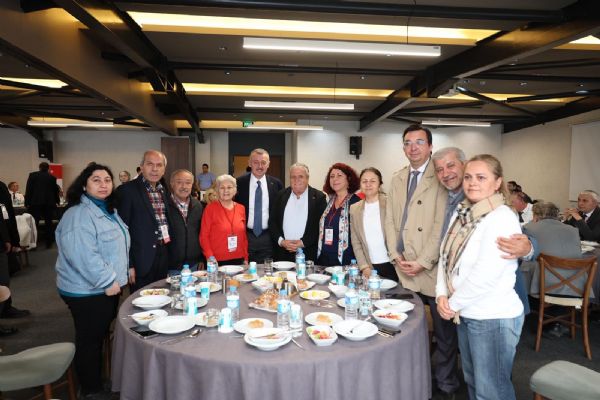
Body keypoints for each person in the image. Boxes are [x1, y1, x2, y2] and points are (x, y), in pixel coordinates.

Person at [436, 154, 524, 400]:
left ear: (497, 183)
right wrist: (441, 293)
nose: (472, 182)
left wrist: (451, 304)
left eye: (481, 177)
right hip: (466, 312)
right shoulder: (463, 212)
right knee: (474, 383)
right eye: (468, 177)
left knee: (492, 391)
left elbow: (486, 274)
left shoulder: (502, 217)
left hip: (492, 317)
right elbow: (445, 257)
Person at [384, 125, 457, 398]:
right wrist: (395, 254)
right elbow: (390, 220)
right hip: (403, 265)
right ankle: (409, 377)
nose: (412, 147)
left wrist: (424, 261)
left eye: (419, 142)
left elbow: (442, 225)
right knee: (404, 328)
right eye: (407, 142)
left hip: (431, 268)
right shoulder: (397, 178)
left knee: (443, 332)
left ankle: (446, 382)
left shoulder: (440, 177)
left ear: (430, 146)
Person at [55, 163, 129, 400]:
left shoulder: (106, 209)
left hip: (104, 287)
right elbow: (83, 256)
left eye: (107, 180)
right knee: (89, 340)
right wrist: (107, 281)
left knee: (96, 336)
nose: (103, 184)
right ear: (84, 185)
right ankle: (90, 389)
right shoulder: (78, 214)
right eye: (96, 180)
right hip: (87, 290)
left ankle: (95, 380)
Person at [118, 150, 171, 291]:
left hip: (162, 255)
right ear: (141, 167)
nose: (155, 169)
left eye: (159, 165)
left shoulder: (163, 190)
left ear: (164, 169)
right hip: (140, 259)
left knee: (162, 297)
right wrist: (129, 264)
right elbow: (121, 231)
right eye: (150, 164)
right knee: (141, 300)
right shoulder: (127, 190)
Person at [269, 163, 326, 262]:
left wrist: (303, 243)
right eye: (293, 177)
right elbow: (272, 222)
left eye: (300, 176)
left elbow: (321, 225)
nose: (296, 180)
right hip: (282, 253)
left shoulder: (319, 197)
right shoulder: (280, 195)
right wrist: (281, 241)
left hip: (307, 253)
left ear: (307, 178)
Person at [235, 148, 283, 262]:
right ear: (249, 163)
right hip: (246, 235)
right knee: (246, 269)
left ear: (268, 164)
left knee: (267, 269)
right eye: (256, 162)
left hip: (268, 237)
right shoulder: (239, 183)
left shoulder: (277, 184)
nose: (260, 166)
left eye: (263, 162)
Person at [350, 168, 396, 281]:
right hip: (370, 266)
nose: (368, 184)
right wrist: (364, 266)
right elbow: (356, 241)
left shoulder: (391, 203)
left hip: (393, 263)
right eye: (364, 181)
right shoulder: (354, 208)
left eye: (373, 181)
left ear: (380, 184)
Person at [317, 163, 361, 267]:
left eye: (339, 175)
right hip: (324, 258)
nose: (335, 179)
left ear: (349, 179)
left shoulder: (356, 203)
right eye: (332, 176)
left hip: (346, 260)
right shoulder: (328, 201)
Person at [200, 174, 248, 265]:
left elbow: (244, 236)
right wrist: (210, 257)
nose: (226, 190)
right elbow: (204, 236)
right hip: (216, 261)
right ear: (217, 190)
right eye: (222, 188)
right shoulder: (210, 208)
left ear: (235, 190)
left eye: (229, 187)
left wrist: (245, 257)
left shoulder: (241, 208)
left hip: (239, 258)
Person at [0, 180, 29, 322]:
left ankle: (5, 307)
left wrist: (9, 238)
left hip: (2, 239)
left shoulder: (1, 187)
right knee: (3, 279)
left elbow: (6, 215)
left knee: (4, 278)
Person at [167, 169, 204, 271]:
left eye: (188, 183)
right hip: (170, 266)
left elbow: (201, 233)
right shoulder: (164, 205)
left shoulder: (198, 205)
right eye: (179, 182)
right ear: (172, 184)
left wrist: (202, 258)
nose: (184, 186)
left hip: (194, 265)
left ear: (192, 185)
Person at [25, 161, 59, 247]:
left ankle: (33, 243)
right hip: (49, 203)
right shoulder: (52, 177)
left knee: (34, 223)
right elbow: (55, 191)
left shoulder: (32, 175)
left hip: (35, 202)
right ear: (48, 168)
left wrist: (27, 202)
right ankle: (49, 243)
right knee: (48, 223)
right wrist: (57, 201)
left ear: (39, 167)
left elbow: (29, 189)